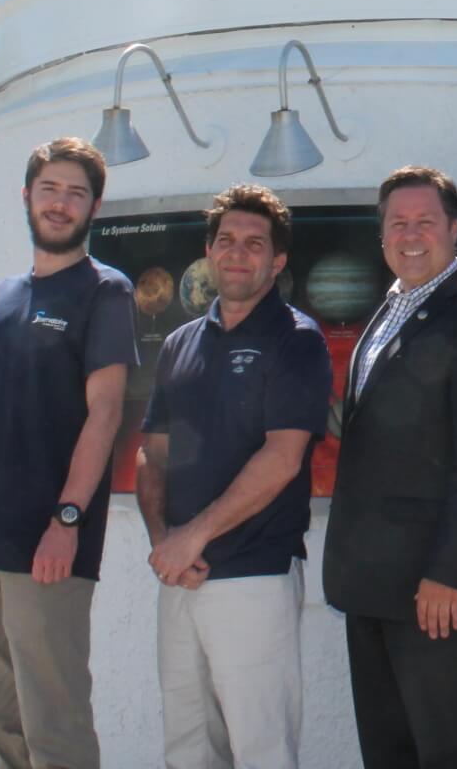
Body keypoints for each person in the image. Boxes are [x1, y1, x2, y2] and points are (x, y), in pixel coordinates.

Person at [0, 136, 137, 769]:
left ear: (93, 208)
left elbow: (105, 414)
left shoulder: (107, 291)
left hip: (47, 543)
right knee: (0, 718)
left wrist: (66, 521)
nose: (61, 203)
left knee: (55, 722)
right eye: (50, 189)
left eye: (76, 193)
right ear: (27, 196)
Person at [322, 166, 457, 769]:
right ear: (382, 234)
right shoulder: (385, 311)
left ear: (455, 230)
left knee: (446, 751)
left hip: (428, 587)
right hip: (368, 582)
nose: (411, 235)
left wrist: (447, 573)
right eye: (398, 223)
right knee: (388, 752)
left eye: (426, 222)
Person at [135, 185, 333, 769]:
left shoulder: (296, 339)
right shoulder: (178, 343)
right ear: (209, 252)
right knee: (187, 746)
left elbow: (282, 459)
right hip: (180, 577)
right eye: (227, 241)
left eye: (255, 244)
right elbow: (154, 454)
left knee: (261, 747)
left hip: (255, 573)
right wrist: (163, 545)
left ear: (277, 261)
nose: (238, 254)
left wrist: (191, 537)